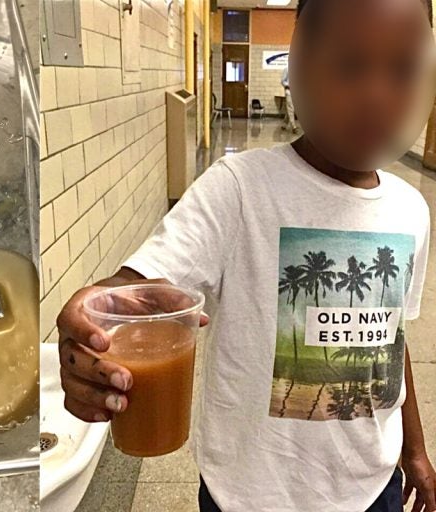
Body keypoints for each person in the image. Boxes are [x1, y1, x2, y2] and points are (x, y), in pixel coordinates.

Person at [55, 0, 436, 510]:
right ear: (300, 67)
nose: (377, 95)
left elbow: (392, 336)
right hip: (250, 495)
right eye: (350, 66)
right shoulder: (238, 190)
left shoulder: (411, 209)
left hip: (372, 487)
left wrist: (414, 449)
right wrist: (94, 315)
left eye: (403, 70)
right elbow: (135, 291)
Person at [282, 64, 299, 133]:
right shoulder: (287, 69)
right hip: (289, 91)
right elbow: (283, 81)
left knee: (290, 109)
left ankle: (284, 124)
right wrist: (288, 85)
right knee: (291, 108)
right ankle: (293, 126)